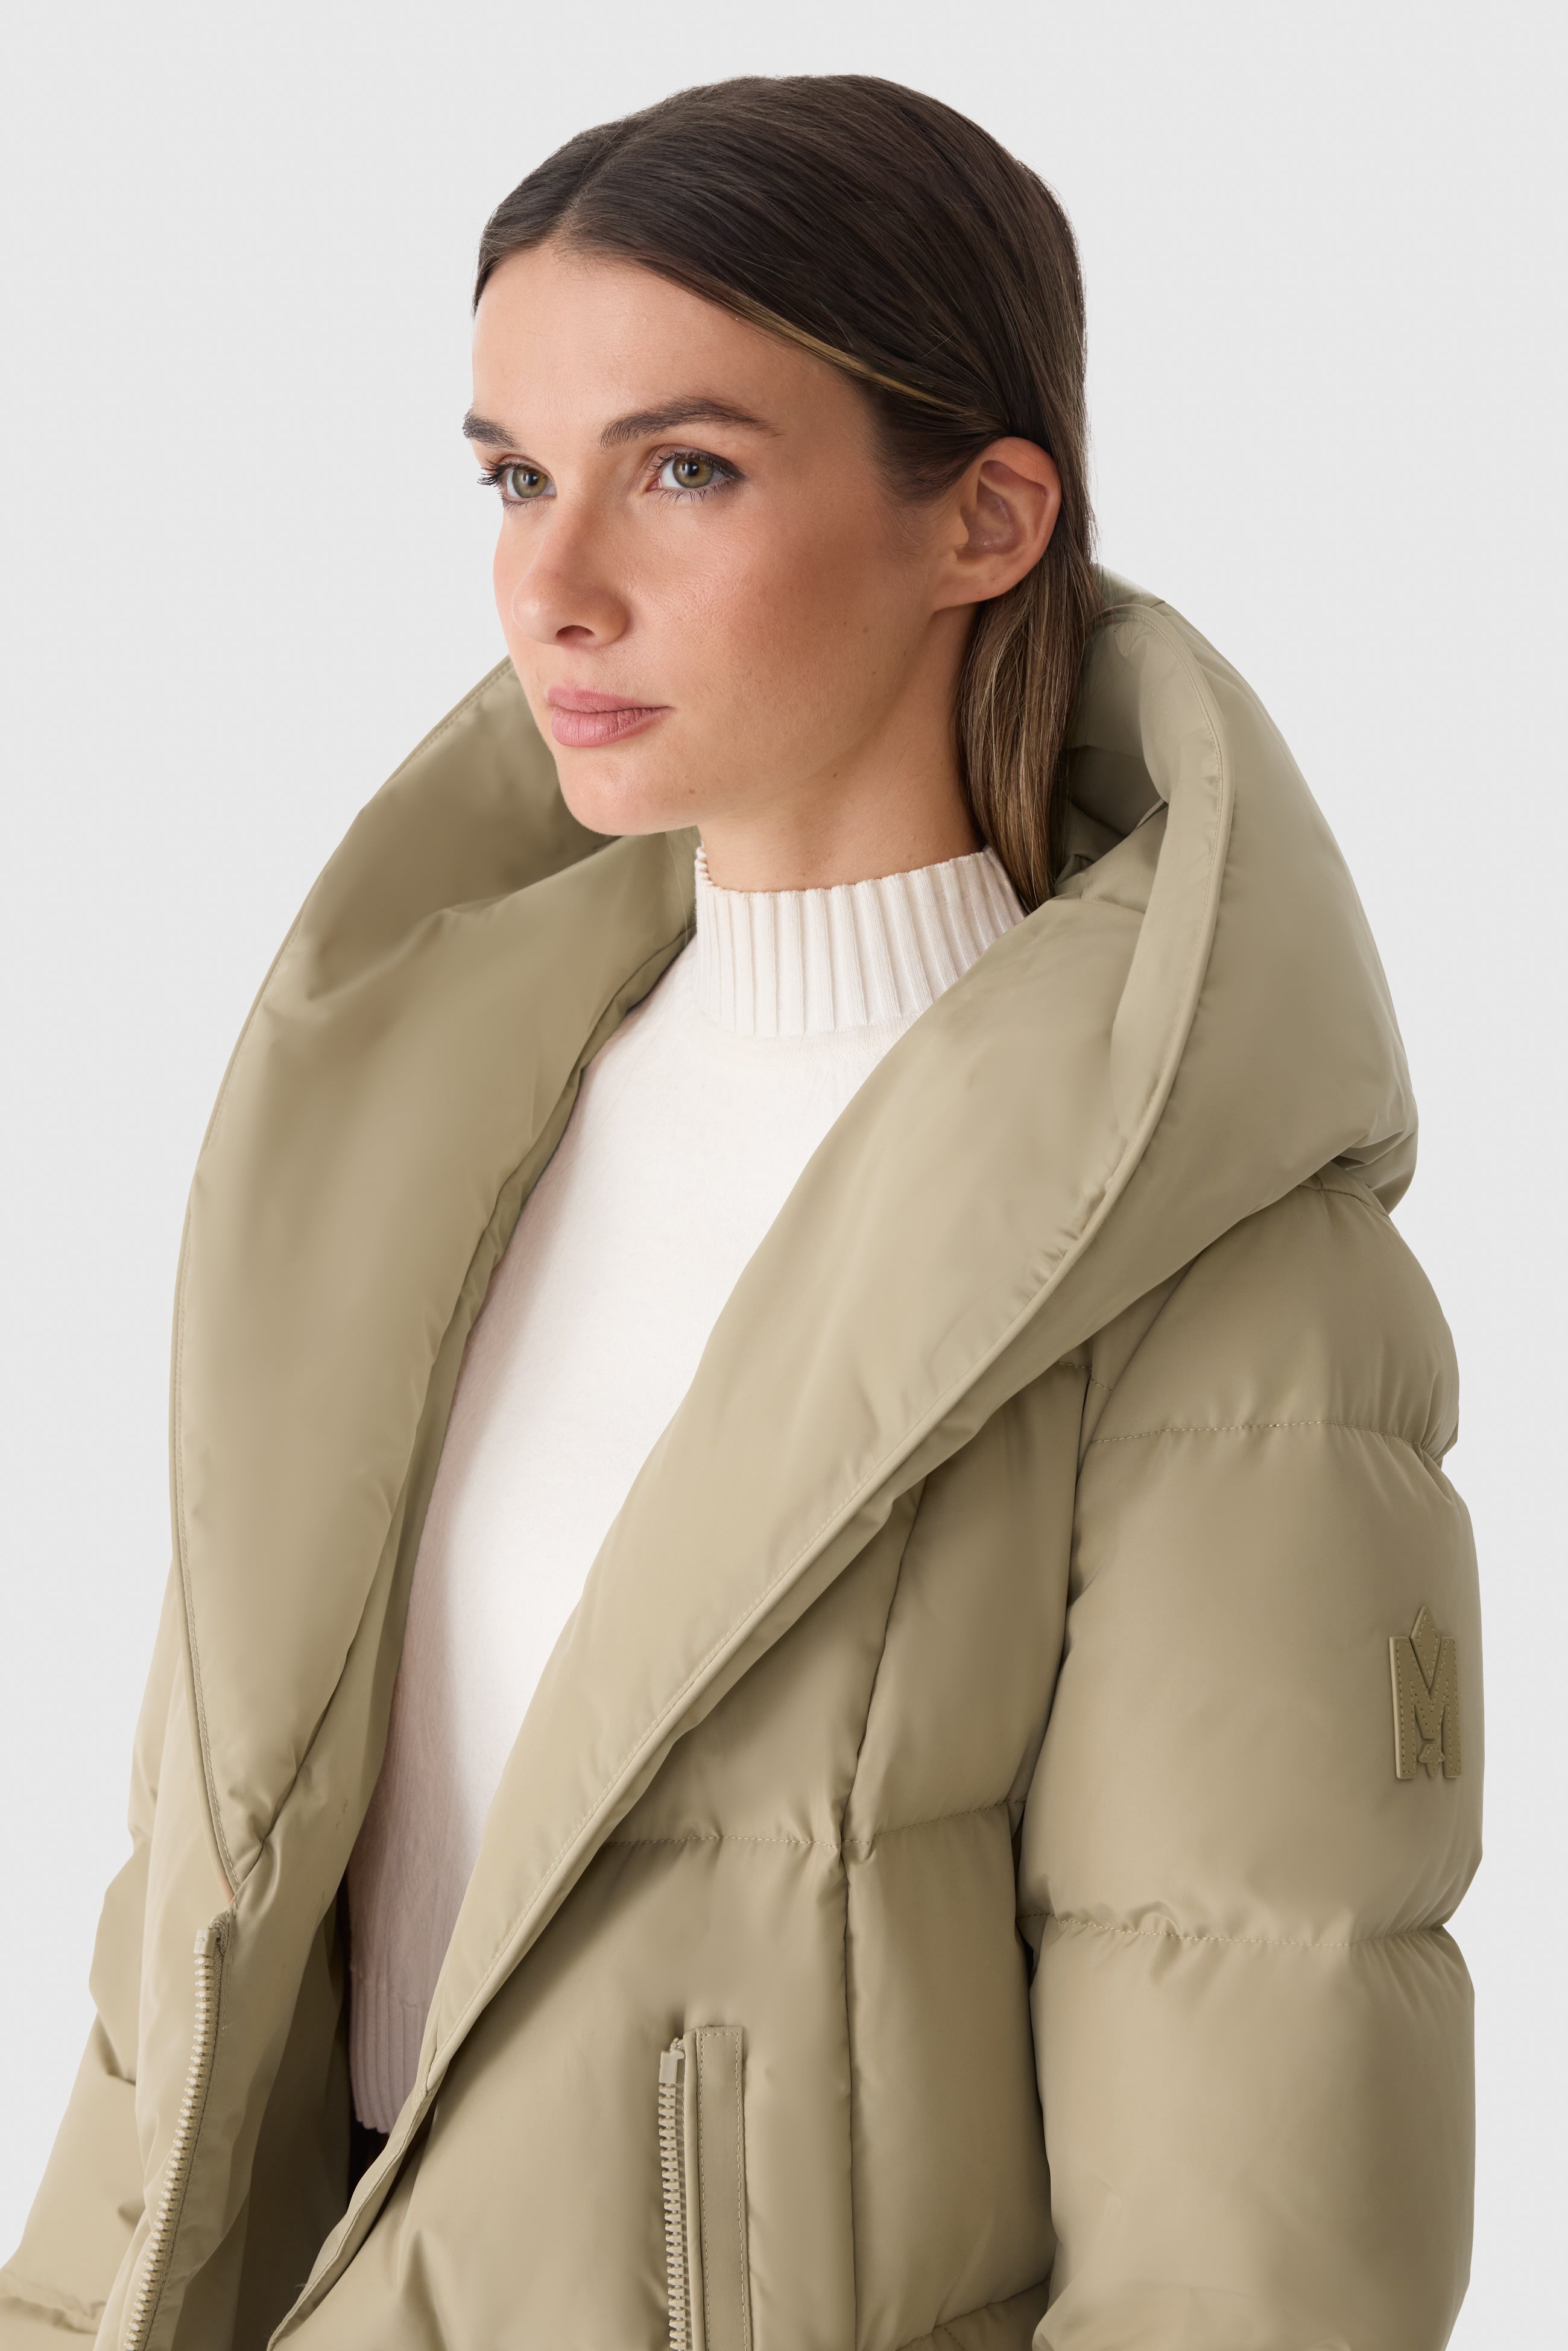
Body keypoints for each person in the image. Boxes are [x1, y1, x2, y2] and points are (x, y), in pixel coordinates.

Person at [1, 73, 1480, 2351]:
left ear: (985, 517)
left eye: (682, 469)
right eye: (514, 476)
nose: (552, 584)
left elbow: (1255, 2251)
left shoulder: (1210, 1272)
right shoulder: (398, 1145)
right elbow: (190, 1967)